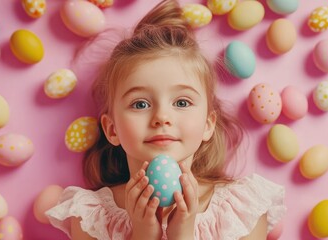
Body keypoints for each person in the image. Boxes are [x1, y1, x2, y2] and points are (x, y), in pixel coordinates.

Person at [46, 0, 286, 239]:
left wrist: (182, 233)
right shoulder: (90, 217)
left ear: (208, 124)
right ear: (112, 129)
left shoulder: (241, 210)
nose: (162, 117)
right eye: (140, 104)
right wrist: (142, 235)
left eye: (182, 103)